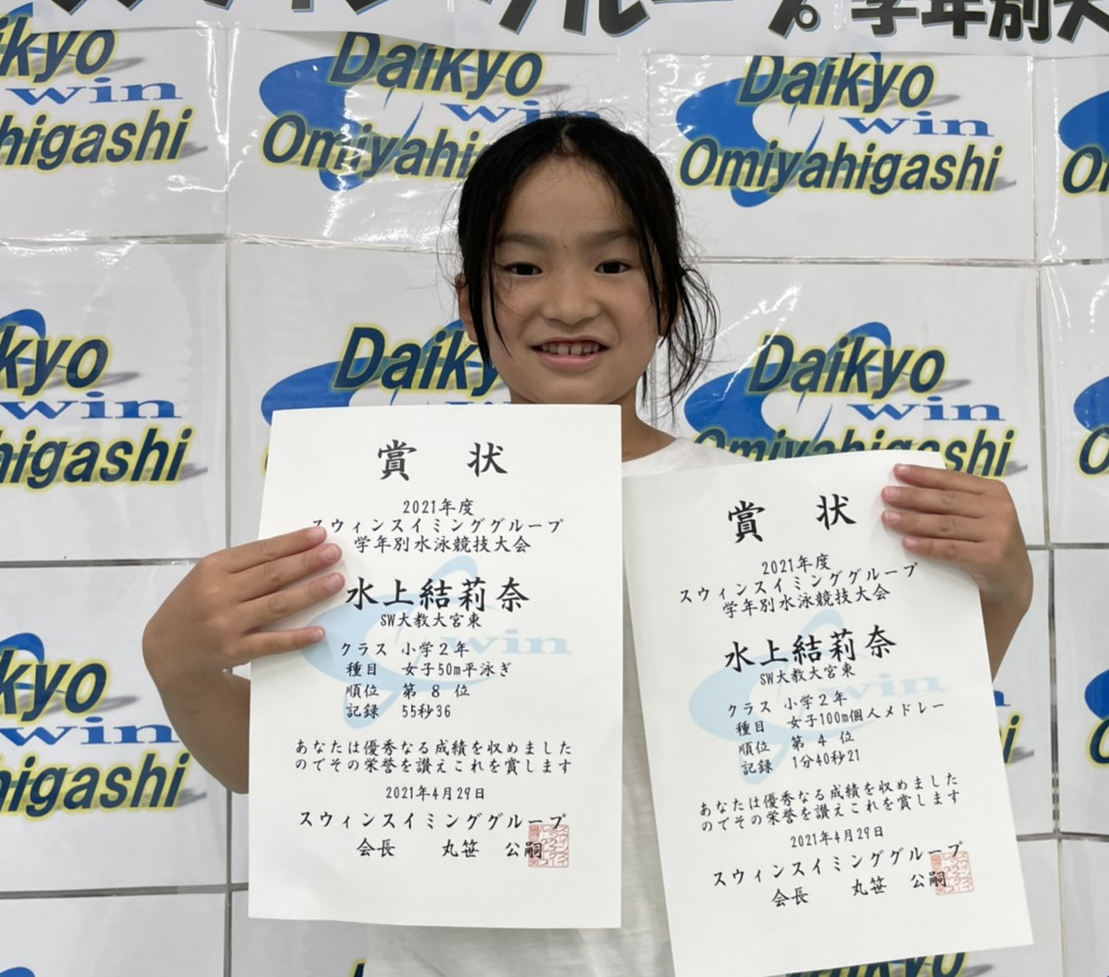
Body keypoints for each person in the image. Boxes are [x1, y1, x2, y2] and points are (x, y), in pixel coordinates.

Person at [143, 115, 1032, 974]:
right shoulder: (384, 517)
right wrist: (179, 663)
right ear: (470, 302)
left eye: (613, 263)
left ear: (666, 295)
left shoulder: (753, 516)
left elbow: (879, 727)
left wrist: (1003, 595)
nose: (569, 302)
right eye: (522, 267)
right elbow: (283, 768)